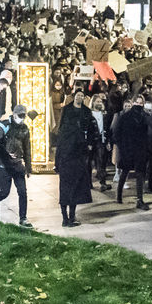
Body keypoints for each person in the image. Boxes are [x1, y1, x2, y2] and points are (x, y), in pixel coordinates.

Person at [0, 104, 34, 228]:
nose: (22, 119)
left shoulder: (24, 129)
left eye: (24, 116)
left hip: (18, 165)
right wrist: (6, 154)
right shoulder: (3, 126)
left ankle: (23, 218)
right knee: (5, 192)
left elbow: (27, 148)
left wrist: (28, 167)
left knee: (23, 192)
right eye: (20, 116)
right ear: (14, 114)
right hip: (4, 166)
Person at [55, 89, 98, 227]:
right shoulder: (75, 133)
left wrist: (57, 165)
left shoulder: (66, 133)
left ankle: (66, 218)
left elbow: (59, 150)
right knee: (73, 191)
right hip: (73, 163)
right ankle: (70, 217)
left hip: (67, 164)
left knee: (66, 191)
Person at [112, 94, 152, 210]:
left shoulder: (145, 116)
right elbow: (117, 133)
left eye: (141, 103)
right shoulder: (125, 116)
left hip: (140, 149)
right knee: (124, 172)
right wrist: (122, 147)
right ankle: (119, 195)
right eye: (137, 102)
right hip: (127, 149)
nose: (139, 105)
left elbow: (149, 131)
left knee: (140, 174)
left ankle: (140, 199)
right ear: (133, 102)